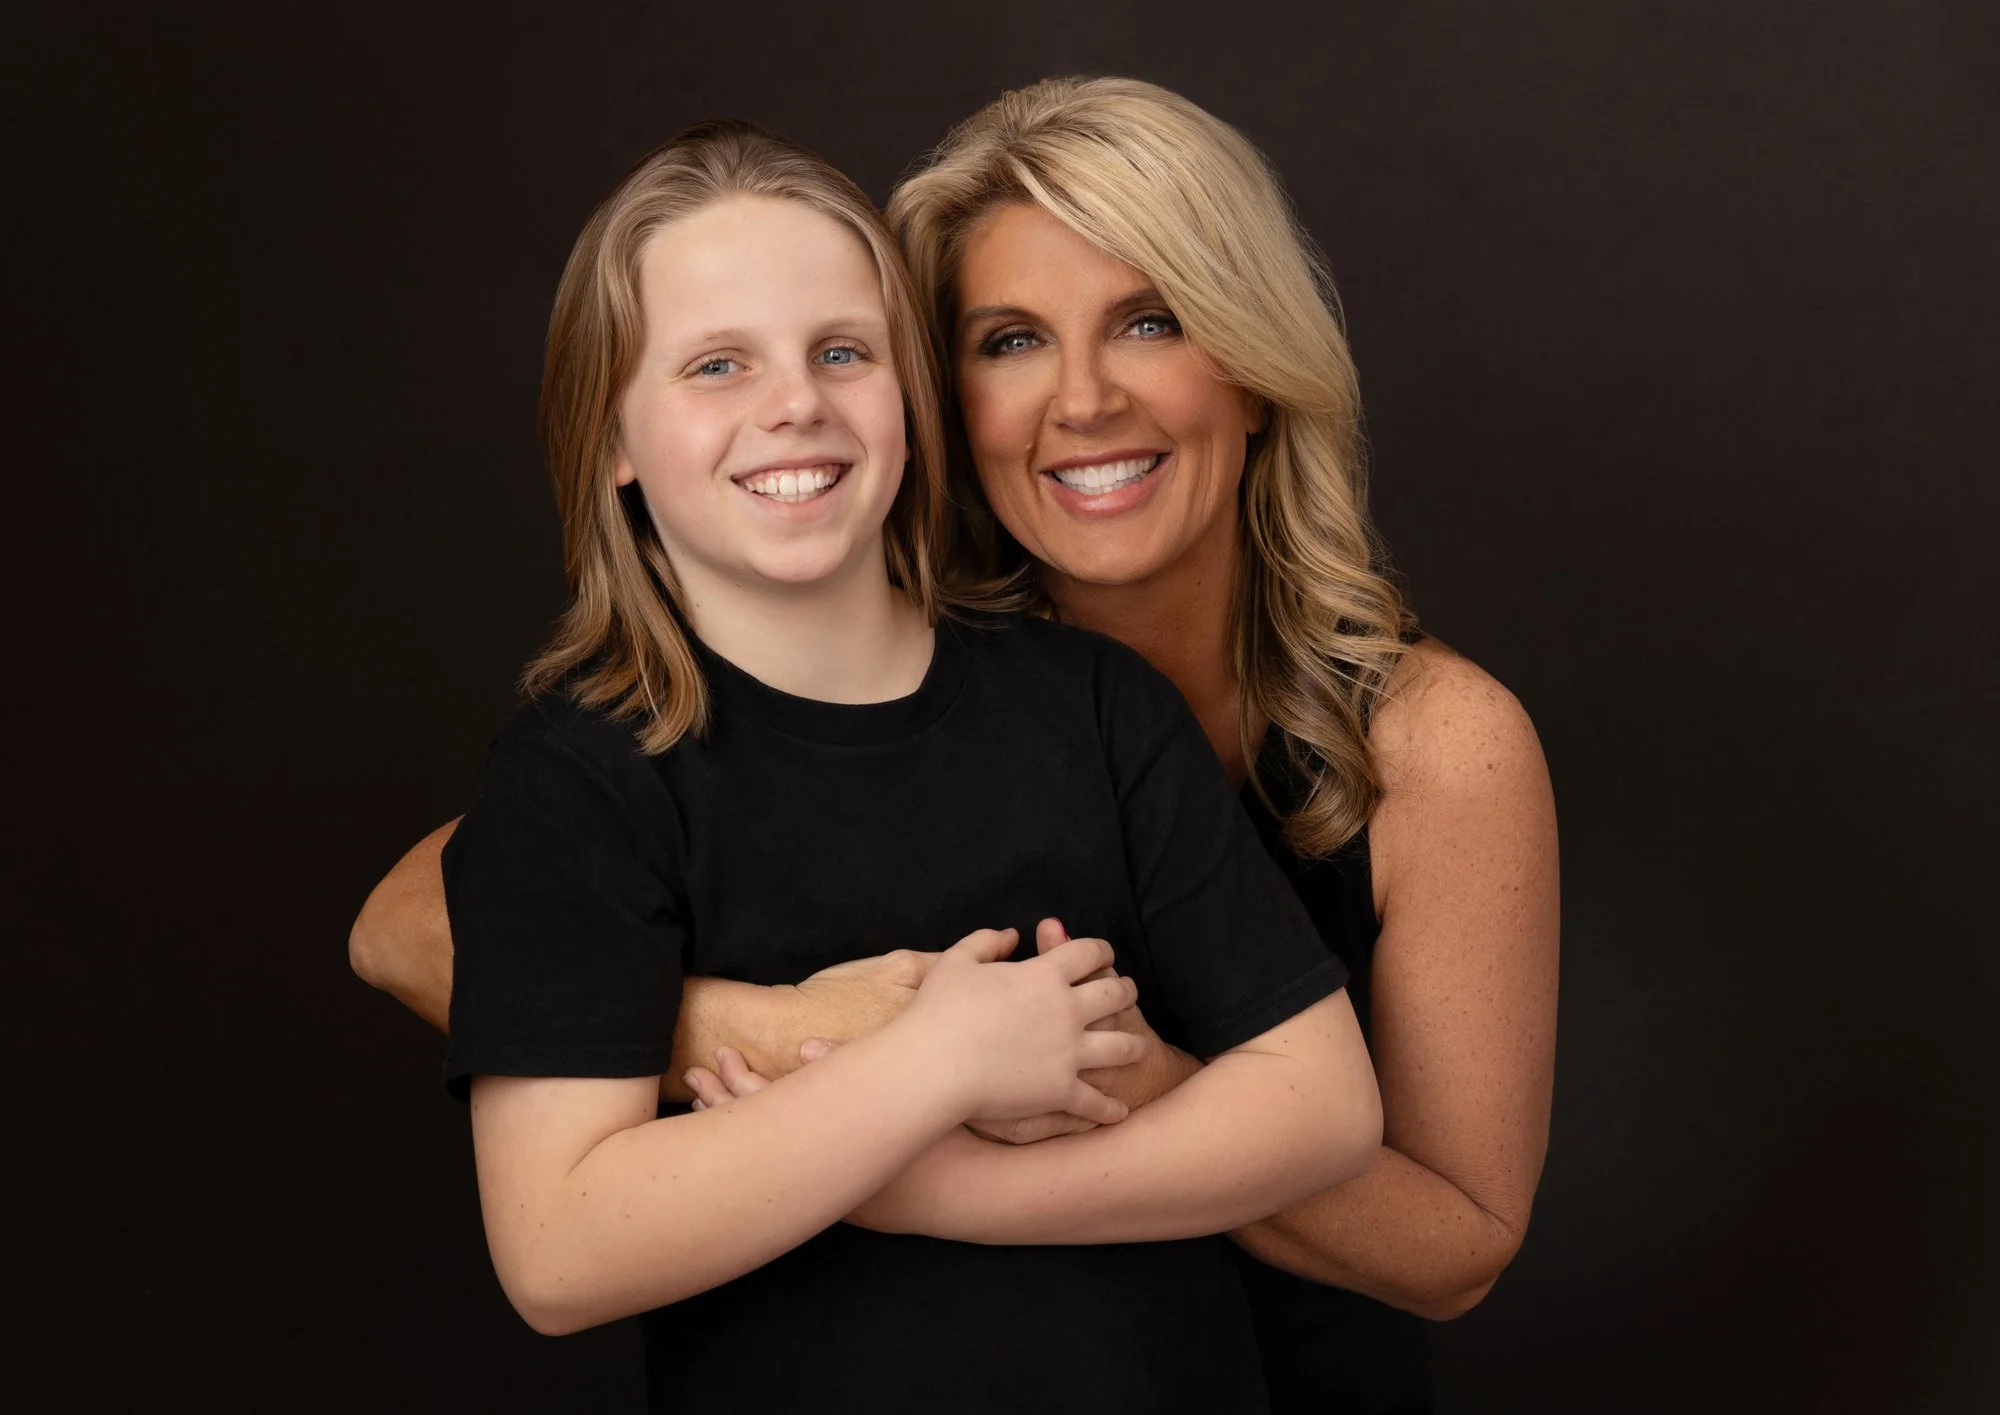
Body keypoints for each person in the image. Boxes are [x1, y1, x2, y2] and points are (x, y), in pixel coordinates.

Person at [355, 78, 1560, 1414]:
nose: (1084, 398)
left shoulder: (1406, 737)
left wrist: (1076, 1098)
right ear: (944, 391)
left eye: (1150, 321)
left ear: (1257, 365)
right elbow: (412, 924)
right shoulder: (796, 683)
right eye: (1009, 339)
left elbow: (1451, 1239)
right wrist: (816, 1039)